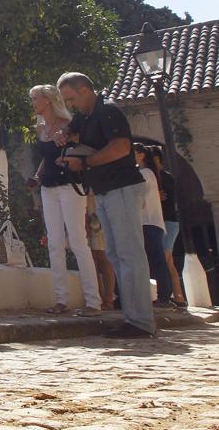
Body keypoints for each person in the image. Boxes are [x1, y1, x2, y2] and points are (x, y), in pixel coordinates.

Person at [56, 72, 155, 338]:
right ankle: (133, 317)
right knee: (117, 254)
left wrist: (85, 162)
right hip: (106, 189)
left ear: (86, 90)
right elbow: (72, 127)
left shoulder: (108, 111)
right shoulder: (86, 115)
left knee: (129, 254)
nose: (71, 105)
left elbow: (121, 147)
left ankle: (141, 322)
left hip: (121, 187)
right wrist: (65, 134)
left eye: (72, 98)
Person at [26, 84, 100, 316]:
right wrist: (37, 177)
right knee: (55, 243)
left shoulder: (68, 125)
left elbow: (85, 149)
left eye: (35, 98)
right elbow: (47, 158)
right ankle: (61, 299)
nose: (33, 103)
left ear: (47, 100)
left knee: (78, 241)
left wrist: (68, 157)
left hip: (70, 185)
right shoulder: (39, 128)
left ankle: (93, 302)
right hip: (48, 187)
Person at [133, 145, 175, 308]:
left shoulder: (145, 174)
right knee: (156, 259)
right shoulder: (149, 173)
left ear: (141, 155)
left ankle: (164, 296)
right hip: (151, 222)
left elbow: (139, 197)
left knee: (156, 260)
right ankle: (163, 295)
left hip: (148, 221)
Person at [147, 147, 187, 305]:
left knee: (164, 257)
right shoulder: (155, 177)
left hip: (168, 222)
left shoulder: (165, 177)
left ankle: (169, 295)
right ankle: (178, 296)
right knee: (168, 262)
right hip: (162, 222)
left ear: (158, 159)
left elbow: (167, 200)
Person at [85, 194, 117, 310]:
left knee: (103, 258)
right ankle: (98, 298)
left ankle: (108, 300)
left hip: (99, 206)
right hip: (84, 207)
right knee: (91, 261)